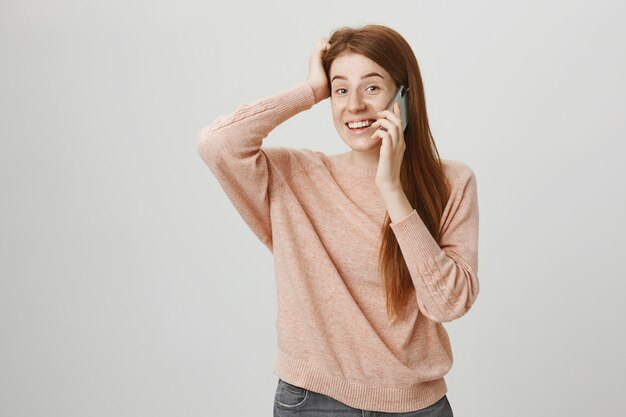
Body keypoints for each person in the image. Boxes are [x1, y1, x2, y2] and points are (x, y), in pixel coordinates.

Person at [197, 24, 479, 417]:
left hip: (418, 406)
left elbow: (448, 303)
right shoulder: (297, 176)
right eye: (341, 89)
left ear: (404, 96)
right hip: (313, 402)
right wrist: (310, 90)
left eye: (372, 87)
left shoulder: (451, 182)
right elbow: (216, 144)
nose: (355, 105)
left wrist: (393, 191)